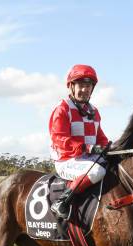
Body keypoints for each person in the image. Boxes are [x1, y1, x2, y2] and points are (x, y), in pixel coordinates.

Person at [48, 64, 110, 218]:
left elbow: (100, 137)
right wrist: (87, 148)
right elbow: (60, 140)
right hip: (66, 160)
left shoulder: (94, 111)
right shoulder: (62, 109)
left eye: (88, 86)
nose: (85, 89)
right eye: (81, 85)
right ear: (71, 87)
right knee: (98, 171)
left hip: (87, 158)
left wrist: (110, 147)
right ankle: (62, 201)